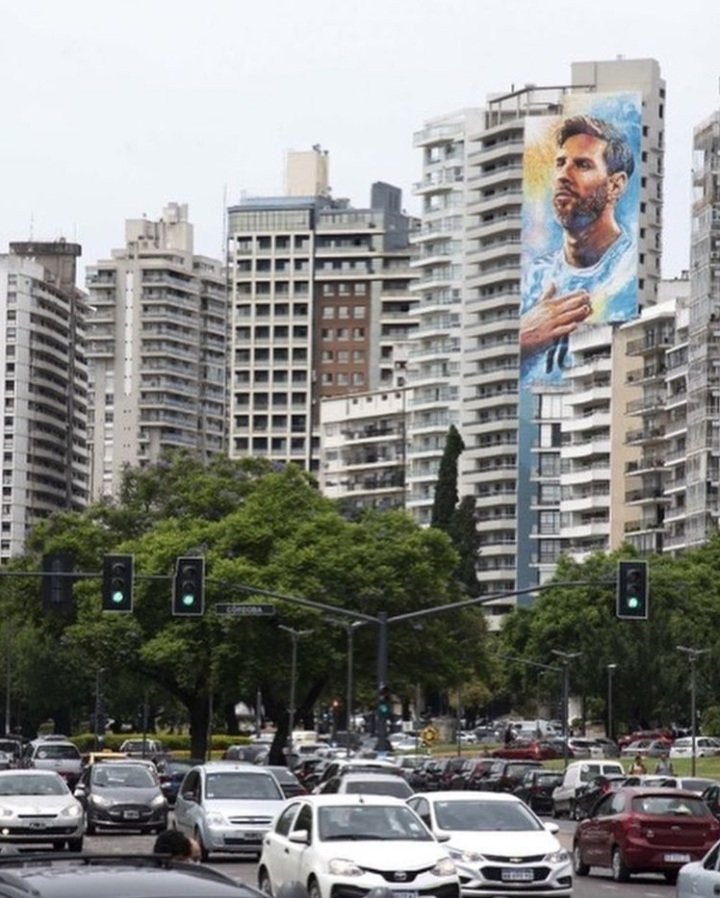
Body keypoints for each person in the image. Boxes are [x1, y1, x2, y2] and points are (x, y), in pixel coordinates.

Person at [520, 114, 637, 381]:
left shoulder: (627, 274)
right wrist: (524, 338)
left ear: (615, 185)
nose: (563, 175)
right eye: (560, 163)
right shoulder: (534, 276)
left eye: (582, 165)